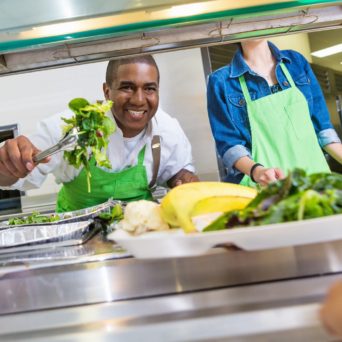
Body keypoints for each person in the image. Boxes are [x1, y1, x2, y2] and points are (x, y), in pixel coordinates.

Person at [0, 55, 199, 212]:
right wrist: (8, 163)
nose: (139, 100)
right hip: (78, 237)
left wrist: (184, 181)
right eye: (127, 87)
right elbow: (16, 175)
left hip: (141, 233)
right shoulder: (71, 127)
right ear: (106, 92)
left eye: (149, 88)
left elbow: (177, 173)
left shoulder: (166, 129)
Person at [207, 39, 342, 187]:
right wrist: (257, 172)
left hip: (316, 182)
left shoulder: (296, 62)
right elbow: (230, 146)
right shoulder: (221, 81)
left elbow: (323, 131)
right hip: (267, 188)